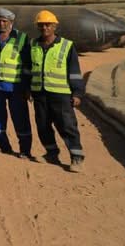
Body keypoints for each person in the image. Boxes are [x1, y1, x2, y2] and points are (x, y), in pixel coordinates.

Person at [29, 10, 85, 172]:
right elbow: (28, 69)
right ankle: (51, 153)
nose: (44, 27)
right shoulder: (33, 45)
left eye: (48, 25)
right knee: (43, 126)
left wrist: (77, 93)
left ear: (54, 26)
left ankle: (76, 157)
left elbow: (74, 71)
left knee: (67, 126)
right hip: (39, 93)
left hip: (60, 95)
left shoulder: (66, 46)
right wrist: (28, 89)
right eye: (41, 25)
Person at [0, 8, 33, 158]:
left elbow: (27, 65)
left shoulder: (22, 38)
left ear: (11, 22)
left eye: (4, 21)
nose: (1, 23)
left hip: (15, 86)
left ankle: (25, 150)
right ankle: (3, 145)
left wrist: (27, 88)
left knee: (20, 118)